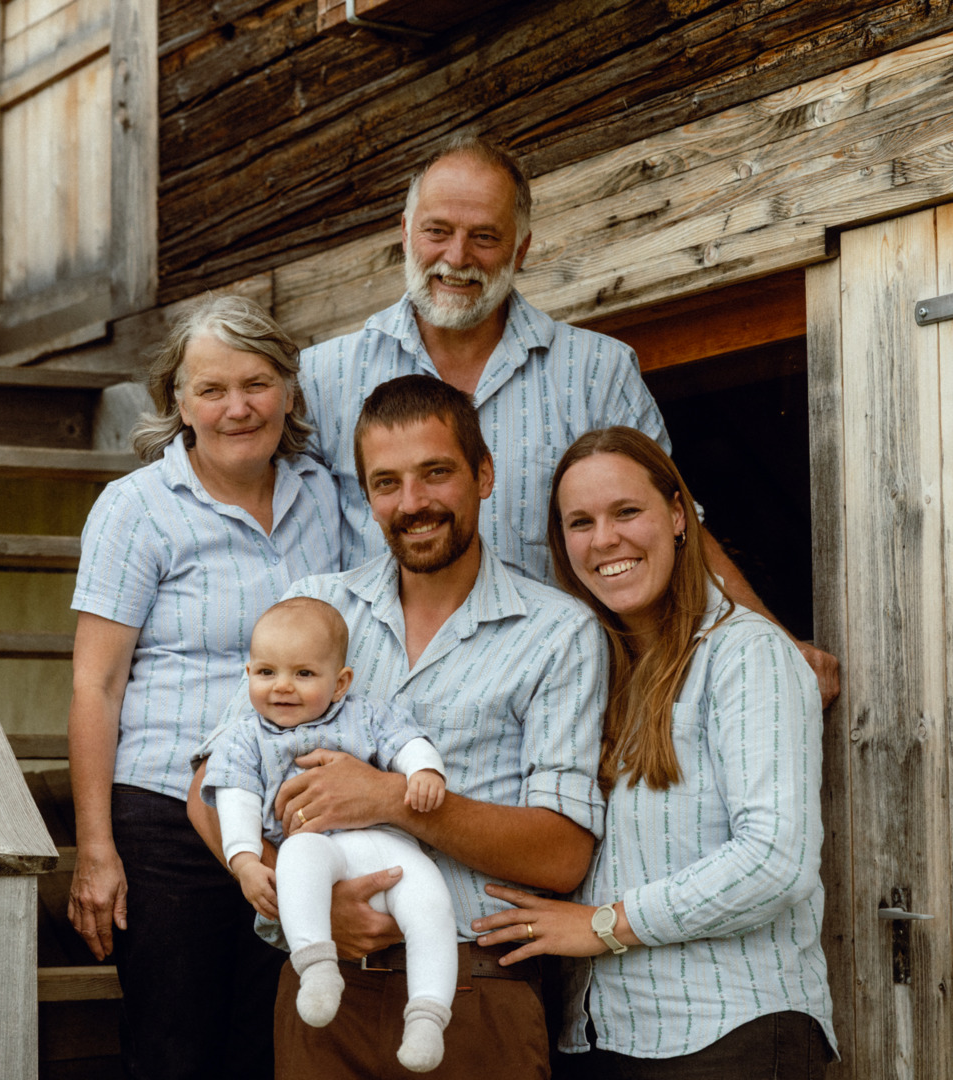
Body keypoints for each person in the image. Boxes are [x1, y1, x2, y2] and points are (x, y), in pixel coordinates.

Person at [297, 135, 840, 707]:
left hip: (555, 702)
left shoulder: (597, 370)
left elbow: (673, 527)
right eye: (437, 231)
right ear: (406, 232)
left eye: (485, 237)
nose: (456, 257)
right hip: (373, 704)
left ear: (521, 249)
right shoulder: (325, 377)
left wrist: (771, 640)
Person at [190, 374, 608, 1080]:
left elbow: (563, 853)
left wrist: (394, 801)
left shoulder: (557, 632)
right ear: (367, 495)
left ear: (483, 475)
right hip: (323, 992)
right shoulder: (316, 608)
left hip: (476, 992)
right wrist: (305, 902)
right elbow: (210, 785)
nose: (411, 502)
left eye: (435, 473)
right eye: (386, 483)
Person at [472, 426, 836, 1079]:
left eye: (626, 511)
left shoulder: (745, 652)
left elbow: (775, 860)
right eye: (580, 522)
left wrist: (604, 924)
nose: (604, 539)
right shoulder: (584, 675)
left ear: (677, 515)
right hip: (597, 1039)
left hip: (730, 1035)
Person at [67, 294, 342, 1079]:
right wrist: (96, 850)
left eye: (255, 384)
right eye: (211, 389)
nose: (236, 408)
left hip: (291, 819)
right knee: (173, 1051)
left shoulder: (325, 496)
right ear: (179, 401)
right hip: (166, 818)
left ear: (287, 391)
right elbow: (96, 683)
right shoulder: (137, 509)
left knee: (273, 1049)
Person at [202, 596, 456, 1073]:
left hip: (391, 846)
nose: (282, 686)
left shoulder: (369, 715)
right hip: (317, 846)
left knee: (432, 906)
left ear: (340, 683)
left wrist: (425, 771)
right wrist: (245, 861)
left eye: (303, 673)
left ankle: (427, 1015)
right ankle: (317, 966)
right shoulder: (245, 737)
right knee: (297, 859)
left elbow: (408, 742)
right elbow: (236, 799)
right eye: (266, 672)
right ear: (248, 673)